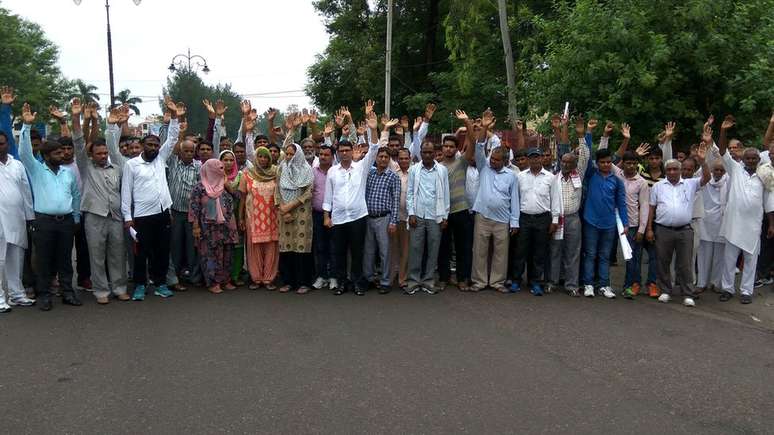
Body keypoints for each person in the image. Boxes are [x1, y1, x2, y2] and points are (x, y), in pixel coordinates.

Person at [19, 103, 82, 311]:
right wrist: (26, 127)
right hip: (44, 222)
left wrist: (75, 218)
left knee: (65, 259)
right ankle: (44, 295)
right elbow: (25, 152)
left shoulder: (68, 173)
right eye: (56, 153)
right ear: (46, 156)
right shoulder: (37, 170)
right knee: (44, 260)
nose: (61, 155)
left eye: (61, 152)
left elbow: (75, 195)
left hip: (65, 222)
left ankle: (67, 292)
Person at [323, 110, 393, 296]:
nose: (345, 153)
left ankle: (357, 283)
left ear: (351, 151)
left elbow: (375, 148)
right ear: (337, 153)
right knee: (338, 252)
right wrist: (326, 216)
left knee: (357, 251)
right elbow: (328, 197)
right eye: (342, 151)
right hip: (338, 218)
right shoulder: (333, 172)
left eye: (347, 150)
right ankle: (341, 283)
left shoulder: (361, 167)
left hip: (357, 217)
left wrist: (373, 130)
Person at [121, 97, 182, 301]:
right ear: (142, 145)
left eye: (156, 144)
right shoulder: (132, 165)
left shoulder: (161, 159)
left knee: (162, 252)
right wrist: (128, 219)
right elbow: (126, 193)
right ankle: (139, 285)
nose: (154, 147)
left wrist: (174, 116)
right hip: (142, 217)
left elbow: (173, 138)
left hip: (163, 214)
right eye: (150, 144)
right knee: (141, 253)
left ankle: (160, 283)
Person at [75, 103, 129, 304]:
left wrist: (112, 126)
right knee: (96, 256)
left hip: (115, 217)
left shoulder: (116, 167)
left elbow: (115, 148)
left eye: (105, 153)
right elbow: (79, 144)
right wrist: (80, 119)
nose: (103, 156)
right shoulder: (86, 167)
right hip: (94, 217)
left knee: (117, 254)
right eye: (99, 153)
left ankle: (120, 288)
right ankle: (101, 291)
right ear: (92, 155)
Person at [717, 116, 774, 304]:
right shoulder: (734, 168)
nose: (750, 160)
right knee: (729, 258)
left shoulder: (763, 175)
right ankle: (727, 288)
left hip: (753, 225)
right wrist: (724, 131)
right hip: (734, 222)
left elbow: (768, 202)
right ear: (742, 158)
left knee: (751, 259)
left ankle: (746, 291)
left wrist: (771, 224)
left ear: (758, 159)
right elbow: (723, 150)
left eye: (753, 158)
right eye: (747, 157)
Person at [464, 110, 520, 292]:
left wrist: (515, 222)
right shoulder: (484, 168)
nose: (493, 162)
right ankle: (479, 281)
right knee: (479, 251)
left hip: (502, 220)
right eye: (492, 159)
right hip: (483, 216)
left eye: (496, 160)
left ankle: (497, 282)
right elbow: (479, 147)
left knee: (500, 254)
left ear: (504, 161)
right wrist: (485, 128)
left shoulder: (512, 176)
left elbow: (515, 201)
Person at [646, 149, 710, 307]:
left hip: (685, 230)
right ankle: (666, 291)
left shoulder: (690, 184)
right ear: (665, 171)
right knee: (663, 262)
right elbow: (651, 209)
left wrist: (702, 161)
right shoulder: (658, 187)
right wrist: (649, 229)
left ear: (680, 170)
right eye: (669, 169)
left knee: (685, 263)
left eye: (675, 169)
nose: (672, 171)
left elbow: (707, 177)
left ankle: (688, 293)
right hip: (663, 229)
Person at [510, 147, 560, 295]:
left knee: (539, 253)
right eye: (532, 157)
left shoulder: (550, 177)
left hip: (543, 218)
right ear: (528, 159)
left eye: (537, 157)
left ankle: (536, 282)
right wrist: (514, 220)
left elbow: (555, 199)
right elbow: (515, 199)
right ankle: (516, 281)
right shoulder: (520, 176)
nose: (535, 160)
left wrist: (555, 220)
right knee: (520, 251)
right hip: (524, 218)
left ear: (541, 159)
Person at [547, 114, 588, 296]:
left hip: (573, 219)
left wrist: (581, 135)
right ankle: (552, 282)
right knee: (555, 251)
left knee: (573, 252)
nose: (564, 164)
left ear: (573, 165)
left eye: (568, 162)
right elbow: (560, 146)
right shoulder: (554, 176)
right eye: (562, 161)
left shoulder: (578, 174)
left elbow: (585, 156)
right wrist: (559, 129)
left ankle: (571, 285)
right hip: (557, 218)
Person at [581, 148, 628, 299]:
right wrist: (587, 133)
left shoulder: (617, 182)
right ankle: (588, 284)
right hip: (590, 221)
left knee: (605, 256)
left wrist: (625, 224)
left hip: (609, 224)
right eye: (602, 162)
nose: (606, 164)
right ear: (597, 163)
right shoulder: (590, 175)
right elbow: (586, 157)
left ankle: (604, 285)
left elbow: (621, 204)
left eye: (609, 162)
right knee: (590, 254)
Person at [276, 116, 315, 294]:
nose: (290, 156)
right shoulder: (281, 168)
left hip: (301, 214)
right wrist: (282, 209)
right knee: (286, 249)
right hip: (284, 214)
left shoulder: (307, 170)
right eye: (288, 154)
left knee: (301, 249)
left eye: (293, 154)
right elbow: (277, 189)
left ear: (298, 154)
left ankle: (303, 282)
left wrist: (290, 206)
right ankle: (288, 281)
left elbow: (308, 193)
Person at [405, 142, 450, 294]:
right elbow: (410, 193)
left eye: (430, 152)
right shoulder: (414, 170)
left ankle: (429, 280)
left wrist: (445, 216)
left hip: (435, 215)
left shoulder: (442, 170)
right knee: (415, 248)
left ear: (435, 152)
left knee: (433, 249)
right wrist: (411, 213)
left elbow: (446, 194)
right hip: (417, 215)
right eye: (425, 152)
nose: (428, 155)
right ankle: (413, 281)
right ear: (421, 153)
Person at [0, 123, 35, 310]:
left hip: (17, 219)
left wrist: (30, 217)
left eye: (1, 143)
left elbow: (26, 192)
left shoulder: (17, 164)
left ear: (7, 144)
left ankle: (17, 294)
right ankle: (0, 299)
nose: (0, 147)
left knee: (16, 259)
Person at [189, 159, 238, 294]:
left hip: (227, 226)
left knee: (227, 253)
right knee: (210, 254)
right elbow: (194, 207)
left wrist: (228, 185)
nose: (222, 171)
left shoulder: (225, 185)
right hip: (208, 228)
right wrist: (195, 226)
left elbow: (238, 196)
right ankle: (213, 282)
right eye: (219, 168)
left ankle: (225, 280)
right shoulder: (200, 187)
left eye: (222, 168)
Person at [239, 146, 280, 290]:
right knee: (254, 248)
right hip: (253, 218)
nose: (263, 159)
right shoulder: (247, 174)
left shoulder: (276, 173)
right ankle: (256, 278)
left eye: (265, 157)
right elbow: (243, 199)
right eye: (260, 156)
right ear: (256, 158)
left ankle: (269, 278)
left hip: (273, 217)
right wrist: (241, 218)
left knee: (271, 247)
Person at [437, 133, 474, 291]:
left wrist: (467, 124)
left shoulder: (462, 162)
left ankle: (462, 278)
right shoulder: (437, 166)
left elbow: (472, 143)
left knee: (463, 247)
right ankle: (444, 278)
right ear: (442, 148)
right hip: (443, 213)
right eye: (446, 146)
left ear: (456, 148)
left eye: (452, 146)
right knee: (443, 247)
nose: (448, 149)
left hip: (461, 209)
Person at [168, 124, 203, 286]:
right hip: (175, 212)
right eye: (185, 151)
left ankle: (193, 276)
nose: (189, 154)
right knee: (175, 245)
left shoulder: (198, 166)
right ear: (180, 152)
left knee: (192, 246)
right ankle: (175, 276)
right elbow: (174, 147)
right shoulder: (174, 163)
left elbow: (201, 188)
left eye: (191, 151)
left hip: (192, 214)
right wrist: (181, 131)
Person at [364, 147, 400, 293]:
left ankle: (385, 281)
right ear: (376, 158)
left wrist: (393, 221)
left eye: (386, 157)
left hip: (384, 218)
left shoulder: (393, 176)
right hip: (368, 218)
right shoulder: (369, 174)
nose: (383, 159)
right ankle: (369, 278)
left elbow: (396, 200)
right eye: (381, 156)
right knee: (369, 251)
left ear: (389, 159)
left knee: (385, 252)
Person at [697, 159, 727, 293]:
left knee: (720, 255)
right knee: (703, 254)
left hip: (722, 222)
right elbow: (702, 165)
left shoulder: (729, 181)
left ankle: (716, 283)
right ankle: (701, 283)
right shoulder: (704, 179)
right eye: (716, 169)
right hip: (705, 221)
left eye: (722, 170)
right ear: (711, 170)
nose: (719, 172)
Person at [311, 145, 336, 290]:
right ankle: (322, 276)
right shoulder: (313, 172)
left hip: (335, 215)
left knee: (334, 247)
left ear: (332, 157)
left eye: (326, 154)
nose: (323, 157)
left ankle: (333, 276)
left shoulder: (336, 171)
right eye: (320, 154)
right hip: (317, 214)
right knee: (320, 247)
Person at [220, 150, 246, 286]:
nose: (229, 163)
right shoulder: (214, 174)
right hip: (219, 217)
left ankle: (234, 275)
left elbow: (240, 197)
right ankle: (221, 277)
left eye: (231, 160)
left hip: (236, 214)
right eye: (225, 160)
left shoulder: (240, 175)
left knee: (237, 246)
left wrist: (241, 218)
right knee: (222, 247)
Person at [390, 148, 412, 290]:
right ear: (397, 159)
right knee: (393, 249)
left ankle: (402, 277)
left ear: (410, 159)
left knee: (406, 249)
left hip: (409, 218)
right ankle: (391, 277)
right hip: (394, 217)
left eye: (406, 158)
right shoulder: (393, 173)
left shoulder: (415, 173)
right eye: (401, 158)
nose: (404, 160)